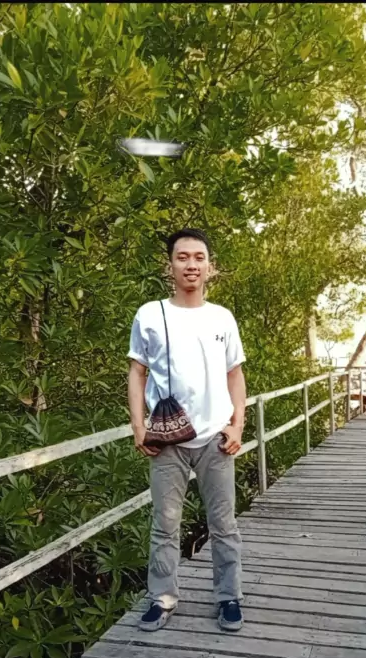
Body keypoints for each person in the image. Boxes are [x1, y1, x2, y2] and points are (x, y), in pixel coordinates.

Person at [127, 228, 246, 632]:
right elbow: (137, 372)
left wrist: (237, 424)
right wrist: (138, 426)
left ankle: (229, 597)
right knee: (164, 524)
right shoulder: (149, 314)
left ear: (210, 267)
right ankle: (162, 598)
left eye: (199, 257)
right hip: (166, 440)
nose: (191, 265)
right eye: (182, 257)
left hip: (216, 438)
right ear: (170, 266)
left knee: (224, 524)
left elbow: (235, 374)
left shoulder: (222, 317)